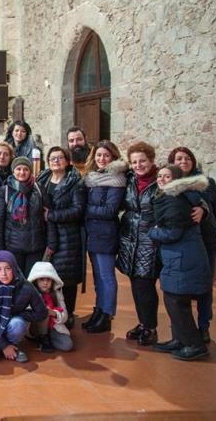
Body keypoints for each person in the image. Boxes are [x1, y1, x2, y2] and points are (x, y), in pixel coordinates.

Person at [149, 166, 211, 361]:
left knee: (176, 301)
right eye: (159, 176)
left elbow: (173, 232)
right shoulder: (178, 196)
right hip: (180, 256)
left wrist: (152, 232)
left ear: (176, 179)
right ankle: (180, 339)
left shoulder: (175, 199)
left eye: (167, 176)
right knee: (174, 299)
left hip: (183, 256)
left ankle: (195, 345)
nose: (161, 179)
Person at [168, 146, 216, 343]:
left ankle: (203, 327)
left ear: (192, 161)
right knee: (178, 289)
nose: (183, 161)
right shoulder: (170, 184)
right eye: (178, 159)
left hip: (206, 242)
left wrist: (206, 216)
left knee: (204, 288)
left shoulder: (206, 183)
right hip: (181, 244)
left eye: (186, 158)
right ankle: (183, 330)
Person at [38, 146, 86, 328]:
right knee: (47, 275)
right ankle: (49, 310)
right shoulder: (42, 179)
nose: (56, 161)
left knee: (67, 277)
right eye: (52, 158)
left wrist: (51, 215)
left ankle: (69, 313)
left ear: (67, 161)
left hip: (67, 235)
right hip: (46, 234)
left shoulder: (75, 182)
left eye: (60, 158)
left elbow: (77, 210)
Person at [82, 141, 127, 333]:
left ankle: (107, 315)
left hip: (106, 233)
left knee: (107, 276)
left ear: (113, 157)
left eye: (106, 156)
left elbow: (110, 210)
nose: (102, 159)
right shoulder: (92, 178)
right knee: (98, 277)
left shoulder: (116, 179)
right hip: (93, 233)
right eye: (99, 155)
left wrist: (85, 209)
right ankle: (99, 310)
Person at [118, 141, 160, 346]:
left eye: (142, 161)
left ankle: (151, 327)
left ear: (151, 160)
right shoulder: (131, 180)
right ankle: (143, 323)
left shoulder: (161, 181)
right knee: (136, 283)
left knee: (145, 285)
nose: (138, 165)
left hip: (150, 241)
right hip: (130, 239)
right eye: (134, 162)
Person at [0, 250, 47, 363]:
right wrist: (4, 346)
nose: (3, 273)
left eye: (8, 268)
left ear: (14, 268)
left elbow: (42, 312)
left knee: (18, 324)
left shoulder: (26, 287)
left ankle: (11, 346)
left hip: (11, 322)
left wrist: (18, 314)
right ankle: (7, 348)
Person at [0, 157, 47, 277]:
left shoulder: (39, 189)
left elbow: (47, 217)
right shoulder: (5, 191)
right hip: (13, 247)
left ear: (30, 171)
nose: (22, 172)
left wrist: (51, 242)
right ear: (13, 171)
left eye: (26, 169)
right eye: (18, 169)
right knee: (15, 281)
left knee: (32, 282)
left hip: (36, 246)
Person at [27, 261, 74, 353]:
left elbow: (65, 316)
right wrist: (39, 310)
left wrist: (53, 313)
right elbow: (25, 312)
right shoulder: (30, 294)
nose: (45, 283)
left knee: (67, 345)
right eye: (41, 279)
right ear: (36, 280)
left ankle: (46, 338)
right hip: (34, 326)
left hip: (53, 326)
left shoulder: (57, 293)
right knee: (43, 310)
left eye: (48, 280)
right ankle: (43, 338)